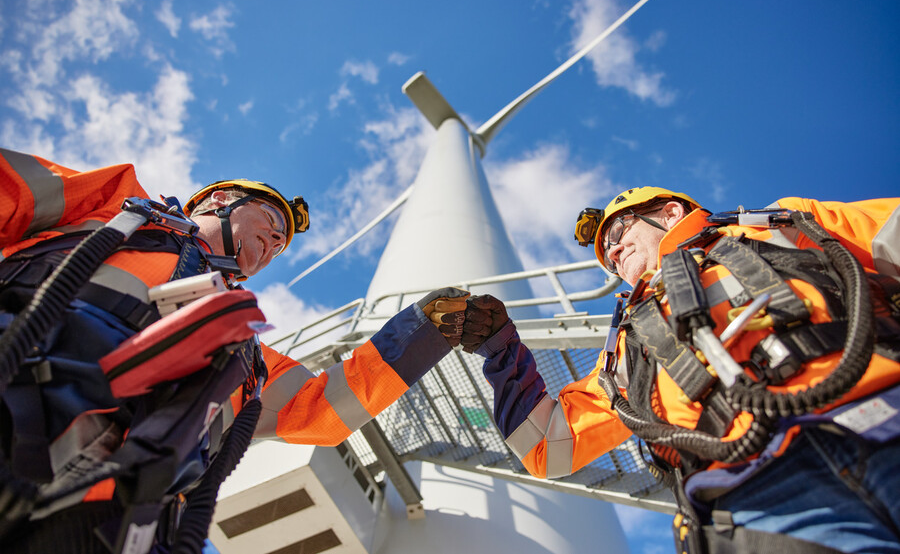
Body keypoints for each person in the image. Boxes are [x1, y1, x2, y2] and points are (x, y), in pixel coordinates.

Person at [0, 147, 468, 553]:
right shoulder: (110, 204)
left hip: (104, 523)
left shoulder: (247, 358)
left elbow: (322, 408)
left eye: (282, 244)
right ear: (220, 200)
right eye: (271, 222)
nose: (276, 243)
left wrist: (427, 330)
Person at [461, 186, 900, 554]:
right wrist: (501, 349)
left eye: (617, 229)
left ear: (670, 212)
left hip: (884, 422)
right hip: (755, 500)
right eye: (608, 262)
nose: (613, 254)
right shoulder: (623, 348)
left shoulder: (780, 224)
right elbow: (549, 446)